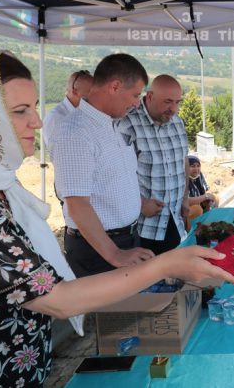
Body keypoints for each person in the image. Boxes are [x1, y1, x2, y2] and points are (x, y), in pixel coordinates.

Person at [0, 49, 234, 388]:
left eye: (34, 107)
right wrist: (165, 265)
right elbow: (57, 299)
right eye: (19, 111)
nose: (38, 123)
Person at [53, 54, 155, 277]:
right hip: (99, 250)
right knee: (108, 312)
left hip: (125, 239)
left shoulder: (112, 124)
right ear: (115, 86)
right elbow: (77, 204)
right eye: (135, 95)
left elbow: (111, 180)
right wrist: (115, 254)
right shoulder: (76, 132)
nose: (137, 103)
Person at [118, 74, 189, 255]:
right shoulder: (126, 125)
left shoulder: (178, 123)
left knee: (175, 278)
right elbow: (114, 176)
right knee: (146, 282)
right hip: (142, 227)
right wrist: (140, 204)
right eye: (167, 102)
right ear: (149, 97)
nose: (173, 109)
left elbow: (184, 161)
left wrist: (185, 198)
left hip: (174, 221)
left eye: (177, 102)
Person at [43, 69, 93, 158]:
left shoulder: (86, 112)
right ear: (75, 91)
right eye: (90, 92)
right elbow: (59, 155)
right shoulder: (56, 118)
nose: (93, 97)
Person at [185, 155, 217, 229]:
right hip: (184, 209)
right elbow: (186, 200)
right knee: (197, 209)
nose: (196, 169)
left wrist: (210, 198)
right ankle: (192, 232)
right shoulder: (183, 178)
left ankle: (206, 224)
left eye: (198, 166)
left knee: (215, 198)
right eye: (192, 166)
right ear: (186, 167)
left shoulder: (199, 175)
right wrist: (205, 197)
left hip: (197, 203)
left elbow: (206, 191)